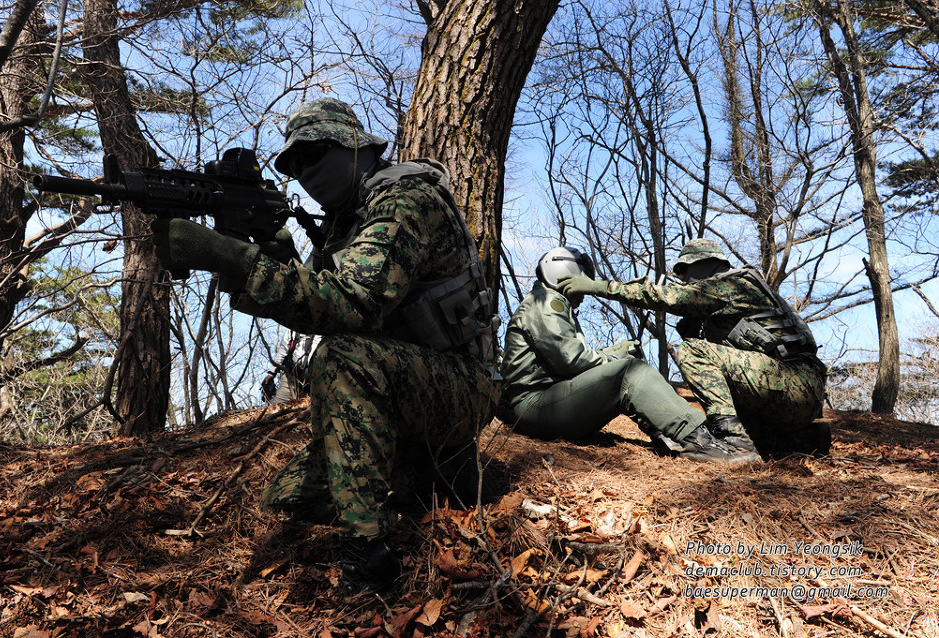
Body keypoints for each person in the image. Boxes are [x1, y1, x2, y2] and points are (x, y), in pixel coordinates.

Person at [152, 97, 500, 596]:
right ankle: (439, 474)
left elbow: (353, 303)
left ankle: (369, 558)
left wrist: (232, 257)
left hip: (464, 386)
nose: (304, 171)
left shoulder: (405, 200)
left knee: (341, 359)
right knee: (291, 498)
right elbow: (313, 303)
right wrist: (272, 254)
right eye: (293, 165)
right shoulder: (346, 223)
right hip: (407, 386)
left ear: (355, 145)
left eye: (313, 154)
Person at [556, 238, 829, 458]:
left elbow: (667, 297)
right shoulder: (743, 288)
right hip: (798, 392)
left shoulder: (731, 283)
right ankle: (804, 440)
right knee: (744, 423)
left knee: (692, 352)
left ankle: (734, 443)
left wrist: (598, 286)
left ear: (706, 265)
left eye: (685, 271)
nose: (684, 279)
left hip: (792, 381)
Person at [500, 246, 761, 464]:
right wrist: (617, 360)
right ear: (563, 272)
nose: (582, 292)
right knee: (629, 373)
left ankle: (671, 434)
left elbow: (570, 359)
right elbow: (572, 361)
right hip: (535, 407)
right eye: (580, 280)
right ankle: (699, 440)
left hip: (545, 403)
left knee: (627, 372)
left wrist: (615, 351)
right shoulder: (546, 301)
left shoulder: (549, 304)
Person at [261, 331, 322, 405]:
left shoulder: (326, 327)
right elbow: (282, 351)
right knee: (275, 406)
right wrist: (271, 373)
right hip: (292, 378)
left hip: (317, 380)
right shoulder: (292, 330)